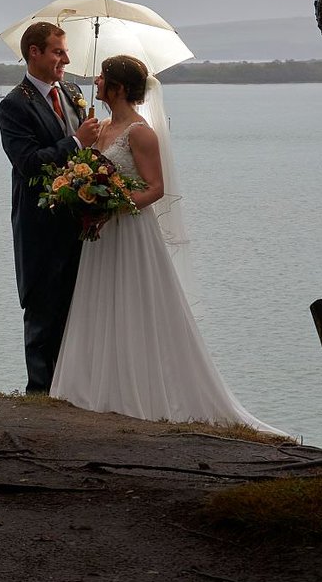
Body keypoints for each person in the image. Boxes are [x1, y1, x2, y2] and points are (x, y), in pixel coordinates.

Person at [50, 54, 284, 434]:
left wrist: (116, 205)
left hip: (129, 232)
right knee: (99, 303)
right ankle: (96, 390)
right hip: (101, 235)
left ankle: (139, 393)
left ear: (119, 88)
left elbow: (156, 188)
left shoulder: (140, 132)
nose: (96, 81)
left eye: (103, 77)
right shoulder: (103, 127)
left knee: (133, 305)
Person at [0, 21, 102, 395]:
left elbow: (84, 155)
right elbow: (28, 163)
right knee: (42, 317)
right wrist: (75, 142)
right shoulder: (13, 105)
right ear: (34, 53)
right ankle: (40, 399)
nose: (66, 59)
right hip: (39, 229)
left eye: (65, 51)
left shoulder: (73, 92)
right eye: (58, 51)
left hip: (78, 225)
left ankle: (73, 391)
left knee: (78, 313)